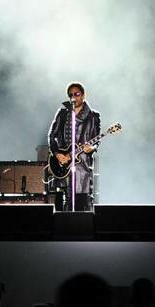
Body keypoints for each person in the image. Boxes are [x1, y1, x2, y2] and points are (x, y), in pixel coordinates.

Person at [46, 82, 101, 212]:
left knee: (84, 200)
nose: (74, 97)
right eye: (71, 95)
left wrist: (91, 148)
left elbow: (96, 140)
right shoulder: (63, 113)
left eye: (77, 94)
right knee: (66, 199)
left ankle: (84, 229)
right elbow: (51, 135)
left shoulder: (93, 116)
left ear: (83, 95)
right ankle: (65, 228)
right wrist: (57, 154)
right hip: (64, 162)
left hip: (83, 163)